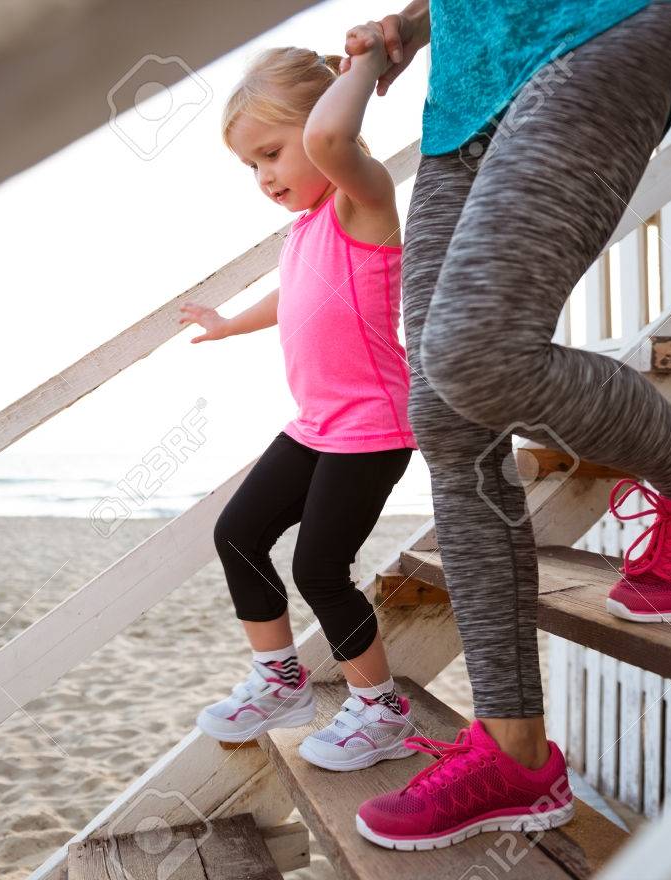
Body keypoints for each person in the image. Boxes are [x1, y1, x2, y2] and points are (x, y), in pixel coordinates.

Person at [343, 0, 671, 850]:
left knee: (475, 353)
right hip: (460, 101)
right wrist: (419, 22)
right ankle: (514, 754)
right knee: (442, 406)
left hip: (589, 31)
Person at [179, 44, 419, 772]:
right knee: (238, 532)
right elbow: (293, 297)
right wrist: (227, 324)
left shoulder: (362, 200)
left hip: (373, 428)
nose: (264, 177)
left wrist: (366, 69)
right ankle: (280, 681)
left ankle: (381, 709)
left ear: (319, 129)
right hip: (317, 425)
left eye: (273, 153)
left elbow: (333, 141)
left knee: (320, 569)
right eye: (250, 165)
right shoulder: (306, 228)